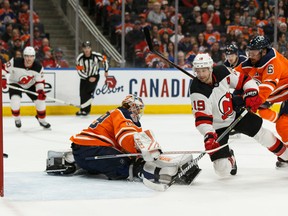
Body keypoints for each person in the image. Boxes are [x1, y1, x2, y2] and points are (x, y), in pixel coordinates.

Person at [45, 94, 201, 190]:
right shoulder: (123, 113)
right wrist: (142, 155)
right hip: (93, 150)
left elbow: (124, 142)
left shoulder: (117, 113)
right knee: (130, 165)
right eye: (137, 108)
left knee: (129, 158)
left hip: (83, 151)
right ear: (131, 107)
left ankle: (74, 162)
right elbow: (125, 138)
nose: (139, 112)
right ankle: (160, 174)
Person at [189, 53, 288, 177]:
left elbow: (244, 80)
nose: (201, 75)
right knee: (222, 171)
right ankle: (230, 157)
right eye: (198, 71)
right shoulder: (196, 90)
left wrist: (251, 92)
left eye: (204, 70)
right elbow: (202, 119)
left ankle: (286, 156)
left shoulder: (221, 71)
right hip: (217, 127)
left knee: (263, 135)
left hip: (235, 114)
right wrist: (209, 135)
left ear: (210, 68)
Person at [234, 36, 288, 167]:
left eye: (254, 52)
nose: (250, 55)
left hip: (280, 93)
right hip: (278, 95)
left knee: (283, 125)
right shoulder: (252, 62)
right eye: (249, 52)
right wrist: (214, 78)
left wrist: (252, 103)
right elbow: (234, 75)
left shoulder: (273, 62)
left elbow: (265, 88)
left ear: (263, 51)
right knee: (264, 112)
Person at [1, 46, 51, 128]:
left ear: (34, 57)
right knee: (15, 101)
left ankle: (42, 120)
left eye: (31, 56)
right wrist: (3, 78)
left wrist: (40, 91)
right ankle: (17, 119)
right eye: (27, 56)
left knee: (40, 101)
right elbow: (3, 69)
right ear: (23, 56)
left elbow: (39, 81)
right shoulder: (14, 61)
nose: (29, 59)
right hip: (15, 83)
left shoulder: (38, 67)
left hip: (31, 85)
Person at [75, 40, 109, 116]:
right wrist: (87, 78)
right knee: (82, 93)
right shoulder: (80, 58)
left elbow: (105, 59)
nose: (87, 50)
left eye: (88, 48)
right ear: (82, 49)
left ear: (90, 48)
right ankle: (82, 109)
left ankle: (86, 111)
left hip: (94, 76)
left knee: (88, 92)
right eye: (85, 48)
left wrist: (106, 70)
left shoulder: (96, 55)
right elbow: (79, 71)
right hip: (84, 77)